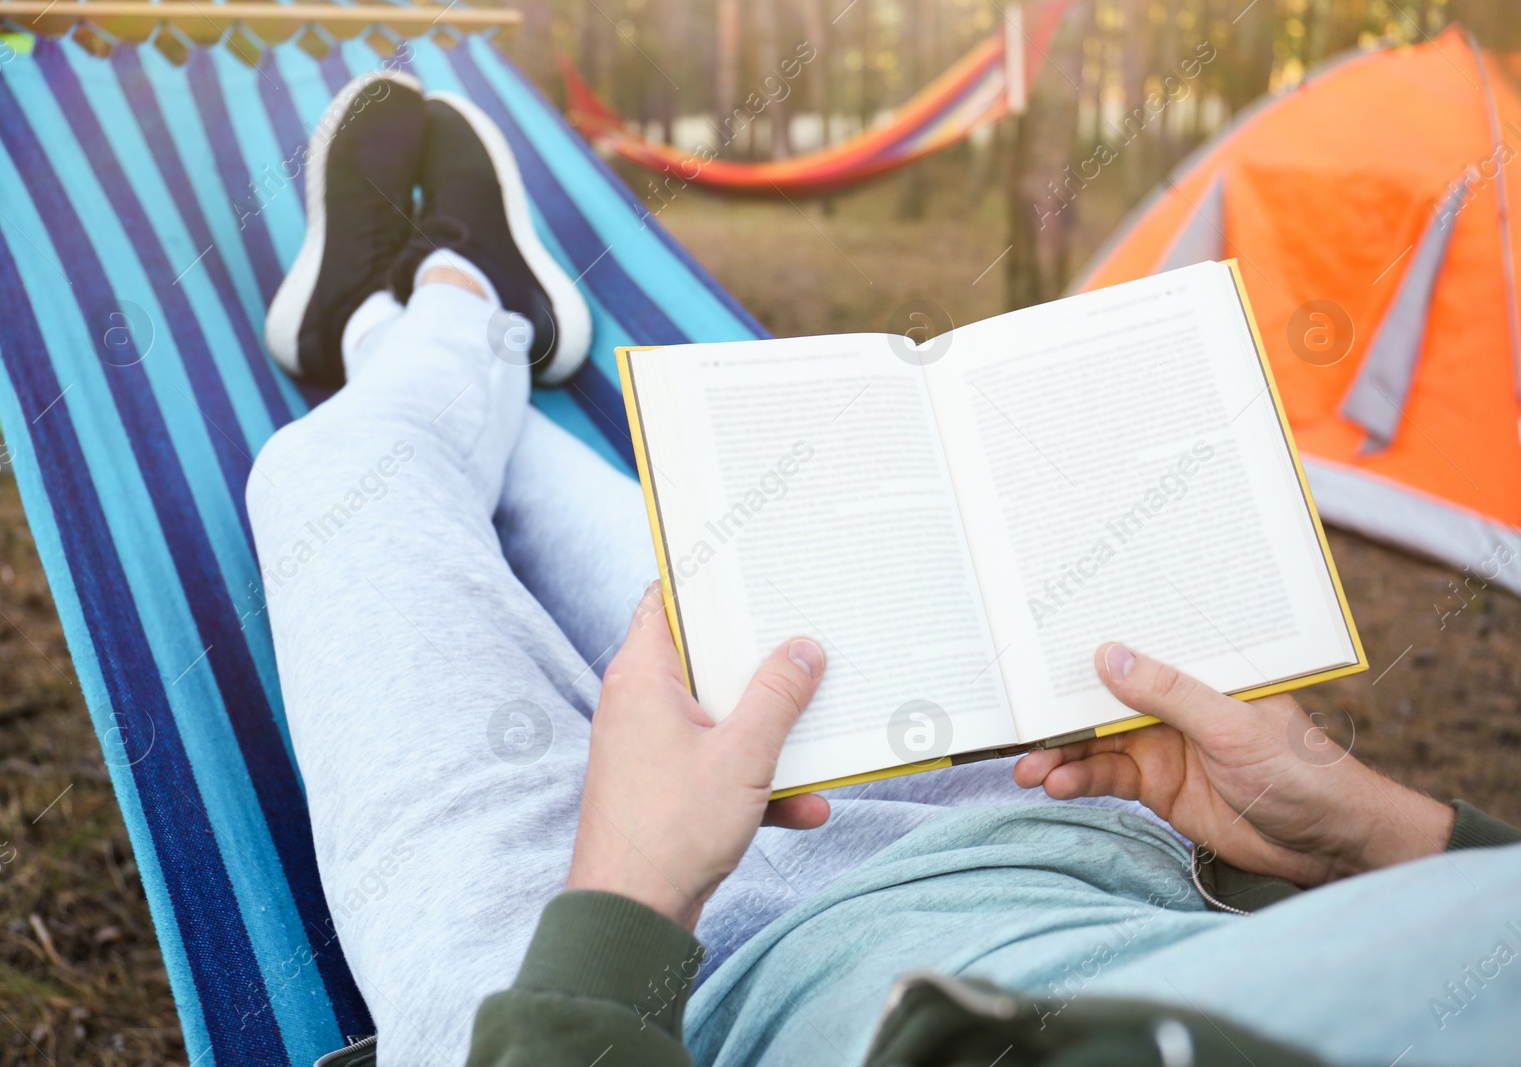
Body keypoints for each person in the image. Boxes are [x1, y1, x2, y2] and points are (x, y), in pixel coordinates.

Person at [250, 72, 1521, 1067]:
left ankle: (421, 315)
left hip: (661, 999)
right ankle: (456, 315)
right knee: (685, 541)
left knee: (322, 486)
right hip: (1055, 827)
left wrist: (622, 905)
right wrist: (1368, 829)